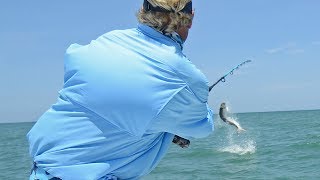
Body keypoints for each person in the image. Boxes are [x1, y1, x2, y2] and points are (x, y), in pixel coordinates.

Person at [27, 0, 214, 179]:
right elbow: (201, 128)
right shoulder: (186, 79)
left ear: (143, 11)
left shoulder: (108, 40)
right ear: (190, 19)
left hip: (42, 172)